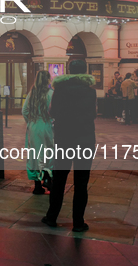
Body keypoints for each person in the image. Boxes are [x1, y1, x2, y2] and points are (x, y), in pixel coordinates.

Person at [42, 59, 96, 233]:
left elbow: (53, 112)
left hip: (64, 139)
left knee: (59, 179)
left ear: (70, 71)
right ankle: (78, 223)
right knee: (81, 182)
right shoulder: (90, 92)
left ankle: (52, 217)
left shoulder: (60, 90)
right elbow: (93, 114)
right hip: (85, 139)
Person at [22, 70, 54, 195]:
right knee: (48, 153)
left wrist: (30, 122)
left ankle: (37, 186)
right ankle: (47, 179)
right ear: (48, 80)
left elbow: (24, 111)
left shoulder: (32, 94)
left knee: (34, 155)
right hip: (47, 126)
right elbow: (55, 111)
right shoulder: (51, 93)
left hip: (34, 126)